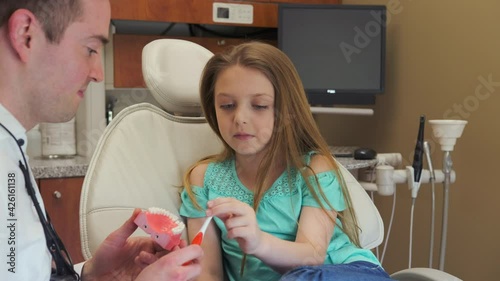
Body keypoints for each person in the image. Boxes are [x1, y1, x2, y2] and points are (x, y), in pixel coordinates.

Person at [0, 0, 202, 280]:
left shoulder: (9, 146)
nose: (98, 73)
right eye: (90, 49)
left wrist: (91, 274)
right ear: (26, 35)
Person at [179, 42, 394, 281]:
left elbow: (312, 255)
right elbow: (207, 273)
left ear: (287, 111)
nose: (239, 118)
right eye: (227, 106)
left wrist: (258, 242)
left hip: (345, 272)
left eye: (260, 106)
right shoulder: (203, 180)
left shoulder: (314, 169)